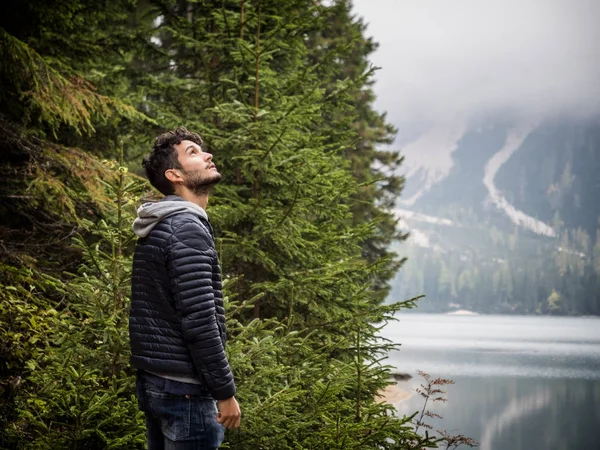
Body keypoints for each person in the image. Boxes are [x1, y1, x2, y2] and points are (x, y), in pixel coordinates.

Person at [129, 127, 241, 450]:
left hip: (158, 383)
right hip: (185, 393)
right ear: (174, 174)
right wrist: (225, 393)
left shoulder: (161, 225)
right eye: (193, 152)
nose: (208, 155)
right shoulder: (186, 228)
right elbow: (199, 321)